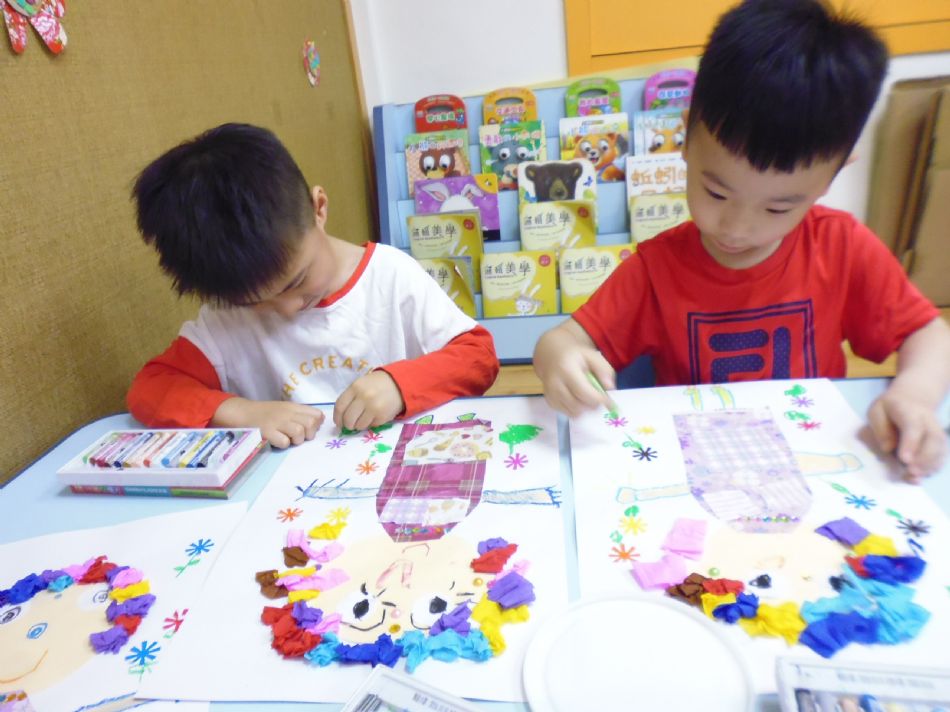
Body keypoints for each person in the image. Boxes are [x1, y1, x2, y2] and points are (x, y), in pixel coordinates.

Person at [533, 0, 950, 481]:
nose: (736, 228)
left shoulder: (843, 248)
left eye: (778, 208)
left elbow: (928, 333)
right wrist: (557, 358)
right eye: (716, 192)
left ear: (834, 174)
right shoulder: (656, 268)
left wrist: (914, 396)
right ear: (685, 140)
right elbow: (562, 340)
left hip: (811, 463)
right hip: (697, 465)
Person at [128, 123, 499, 447]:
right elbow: (151, 387)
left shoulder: (389, 275)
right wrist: (242, 412)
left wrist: (399, 386)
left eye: (298, 280)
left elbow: (478, 357)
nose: (288, 308)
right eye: (253, 302)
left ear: (319, 207)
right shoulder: (224, 318)